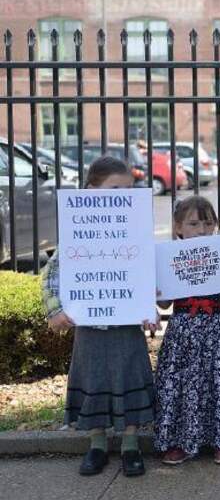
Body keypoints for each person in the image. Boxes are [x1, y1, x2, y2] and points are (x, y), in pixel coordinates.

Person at [42, 156, 159, 477]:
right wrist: (55, 310)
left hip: (126, 327)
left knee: (130, 376)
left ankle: (131, 446)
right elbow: (52, 275)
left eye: (129, 190)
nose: (123, 196)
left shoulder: (135, 234)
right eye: (115, 188)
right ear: (91, 189)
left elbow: (144, 275)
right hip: (89, 328)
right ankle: (96, 445)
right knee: (93, 380)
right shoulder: (76, 234)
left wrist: (150, 310)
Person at [154, 195, 220, 465]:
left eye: (208, 224)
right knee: (182, 385)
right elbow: (164, 302)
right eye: (194, 224)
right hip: (183, 331)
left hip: (218, 330)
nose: (201, 230)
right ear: (178, 228)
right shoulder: (170, 259)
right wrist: (159, 287)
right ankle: (178, 440)